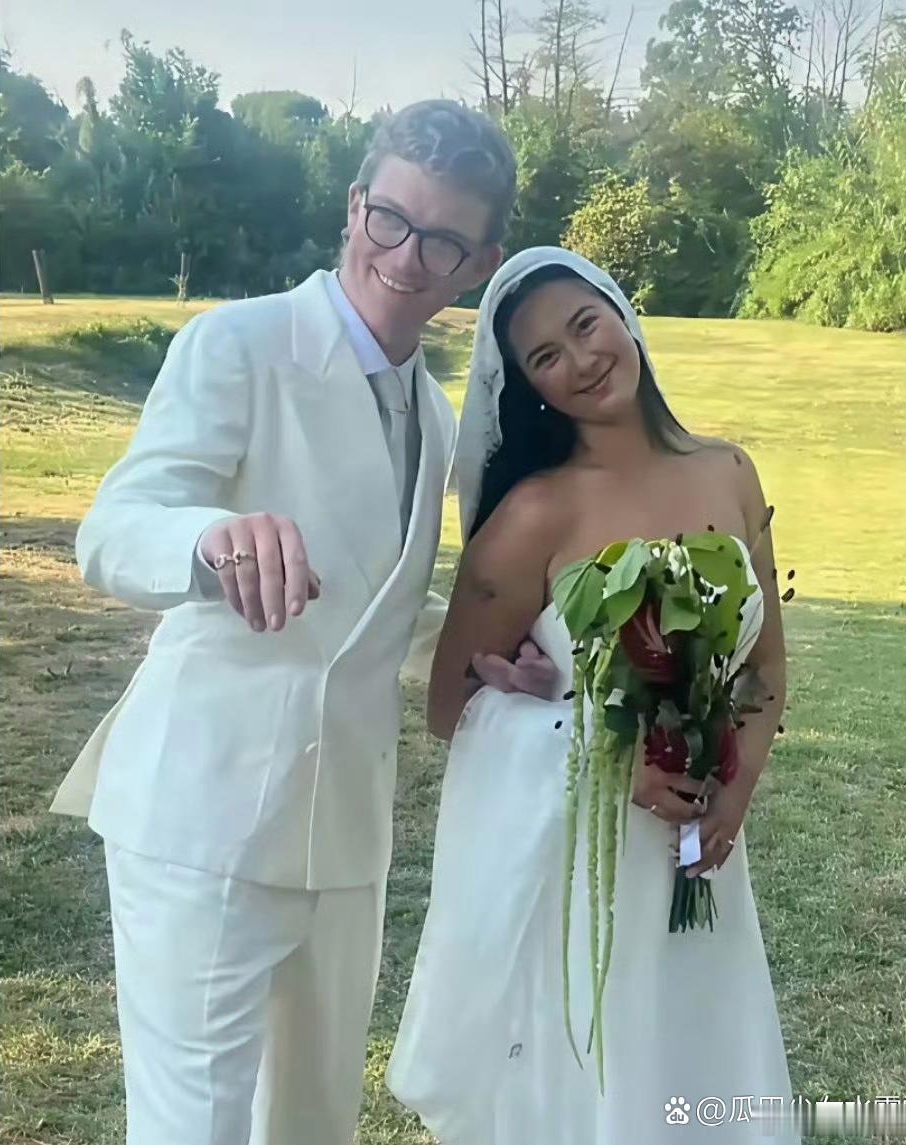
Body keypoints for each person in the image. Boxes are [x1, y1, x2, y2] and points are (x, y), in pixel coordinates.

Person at [49, 101, 555, 1145]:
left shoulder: (437, 417)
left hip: (345, 838)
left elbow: (369, 609)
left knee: (316, 1123)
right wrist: (212, 540)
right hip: (202, 823)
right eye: (390, 219)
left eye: (442, 240)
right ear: (355, 206)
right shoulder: (236, 344)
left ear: (477, 264)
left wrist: (481, 654)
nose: (405, 258)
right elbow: (113, 530)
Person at [387, 247, 800, 1143]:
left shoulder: (730, 470)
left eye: (585, 325)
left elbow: (764, 669)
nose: (580, 360)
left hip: (703, 853)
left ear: (623, 315)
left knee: (698, 1069)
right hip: (587, 866)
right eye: (545, 356)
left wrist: (732, 792)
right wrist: (603, 754)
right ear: (530, 386)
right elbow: (450, 707)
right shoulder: (533, 515)